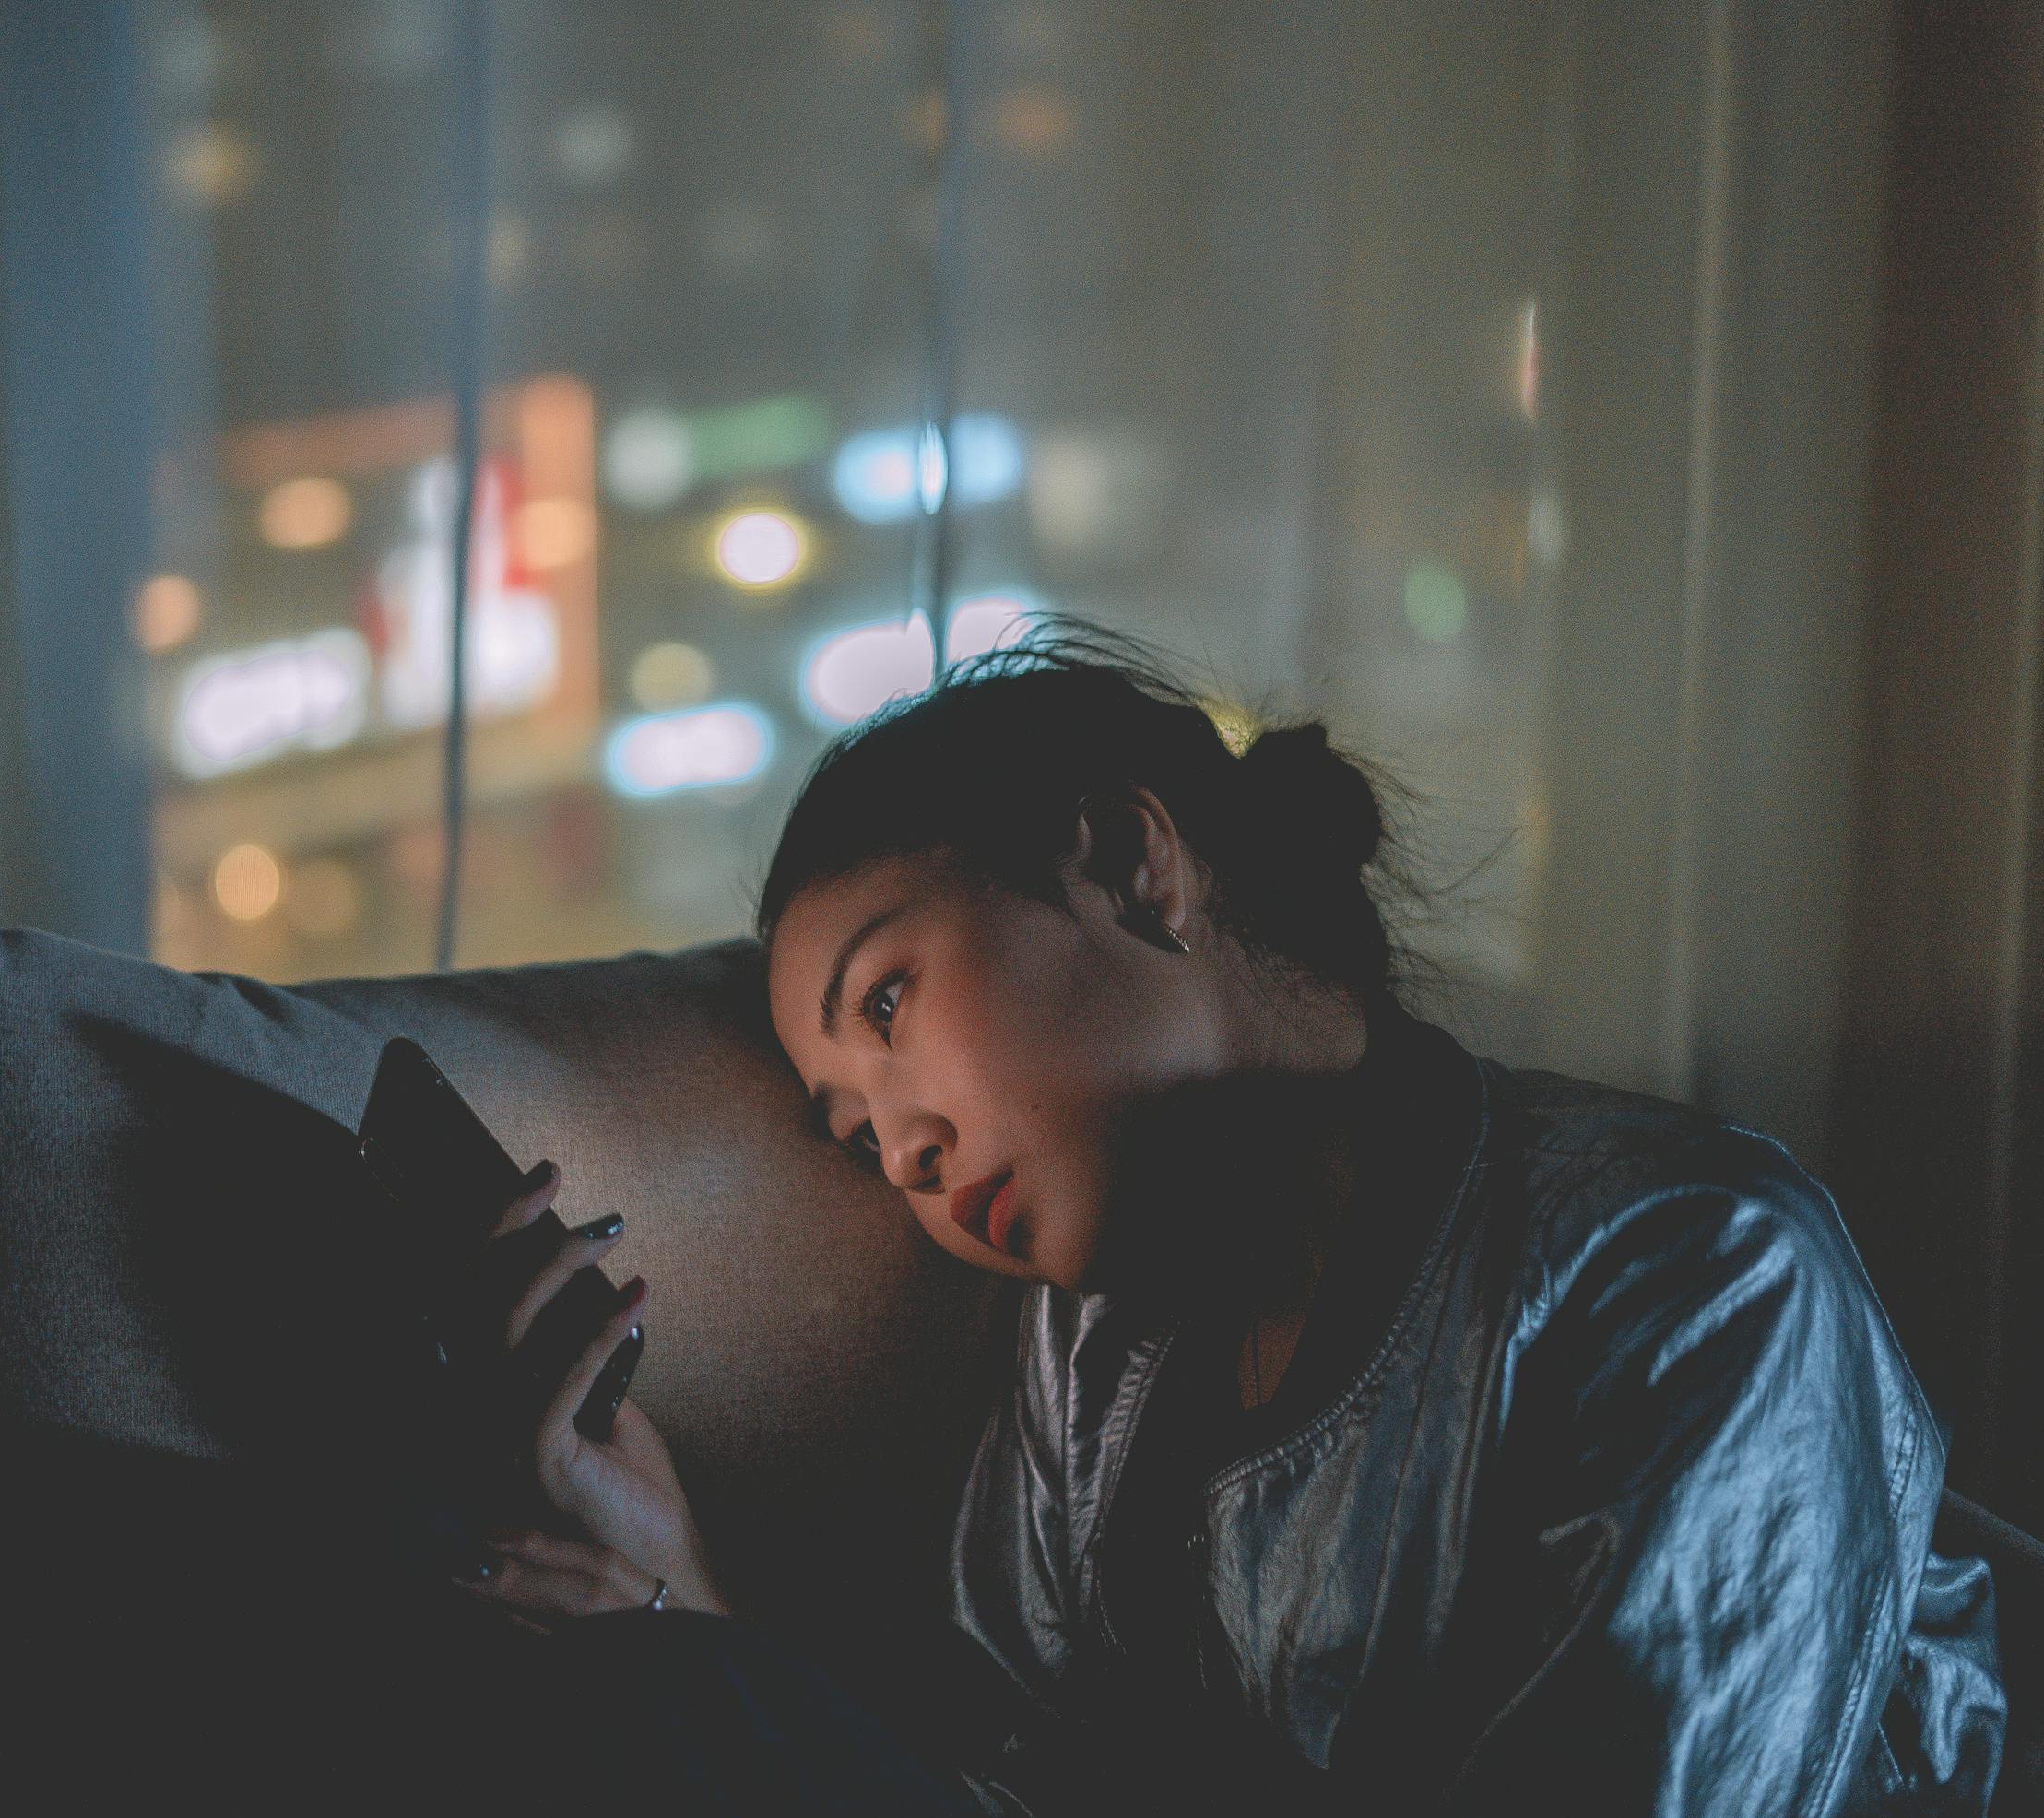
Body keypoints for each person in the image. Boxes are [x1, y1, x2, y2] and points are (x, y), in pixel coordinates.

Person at [455, 620, 2008, 1815]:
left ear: (1135, 866)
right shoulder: (1087, 1367)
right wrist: (688, 1605)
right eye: (853, 1135)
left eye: (890, 998)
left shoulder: (1691, 1269)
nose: (907, 1155)